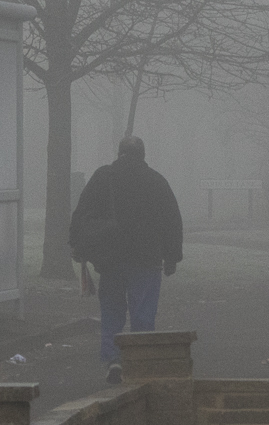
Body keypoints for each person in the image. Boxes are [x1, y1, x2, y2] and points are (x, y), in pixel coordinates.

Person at [69, 136, 183, 384]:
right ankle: (140, 360)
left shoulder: (103, 177)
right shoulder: (156, 181)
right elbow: (172, 220)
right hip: (147, 259)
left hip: (112, 258)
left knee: (112, 310)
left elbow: (83, 211)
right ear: (143, 155)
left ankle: (114, 358)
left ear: (119, 153)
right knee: (143, 313)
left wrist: (77, 245)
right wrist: (172, 257)